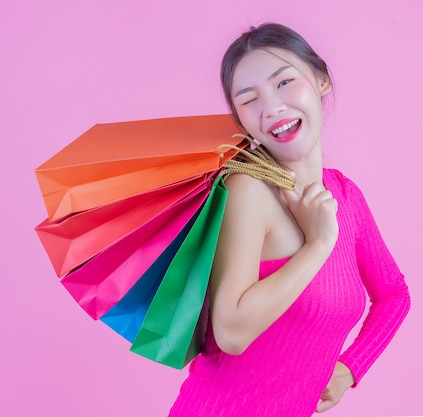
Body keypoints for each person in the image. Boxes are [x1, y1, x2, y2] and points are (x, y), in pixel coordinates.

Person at [168, 22, 410, 417]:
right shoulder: (247, 190)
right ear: (240, 121)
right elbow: (231, 331)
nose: (272, 107)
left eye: (284, 82)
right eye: (249, 99)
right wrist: (317, 245)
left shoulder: (346, 197)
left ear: (321, 80)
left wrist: (351, 367)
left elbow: (394, 295)